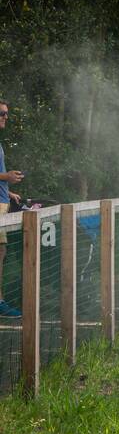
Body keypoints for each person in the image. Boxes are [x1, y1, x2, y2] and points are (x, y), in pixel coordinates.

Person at [0, 100, 24, 317]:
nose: (5, 117)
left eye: (6, 113)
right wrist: (6, 177)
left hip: (2, 204)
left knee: (1, 251)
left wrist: (8, 191)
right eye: (1, 113)